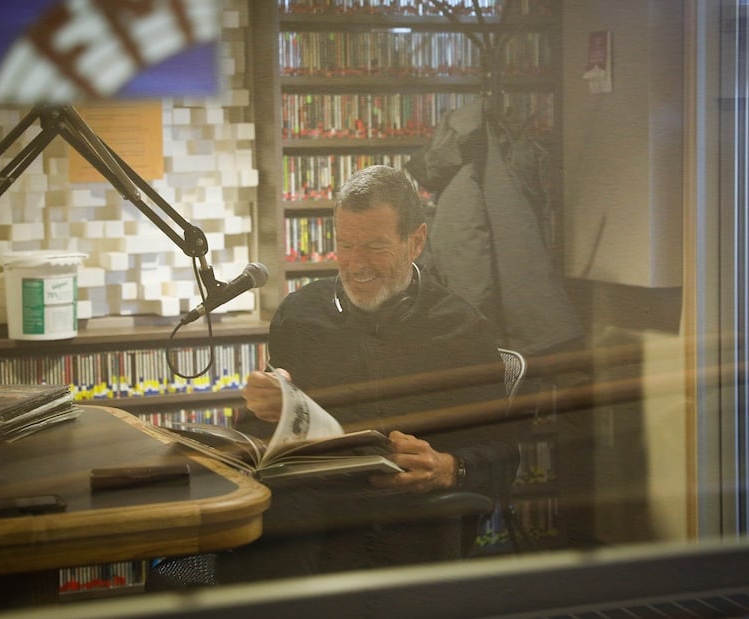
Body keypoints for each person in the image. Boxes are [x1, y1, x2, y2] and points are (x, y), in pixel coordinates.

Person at [213, 164, 519, 583]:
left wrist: (448, 467)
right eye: (345, 245)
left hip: (408, 517)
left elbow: (504, 454)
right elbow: (263, 441)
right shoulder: (299, 315)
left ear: (416, 241)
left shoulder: (461, 328)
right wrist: (262, 408)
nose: (356, 264)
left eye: (375, 247)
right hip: (307, 510)